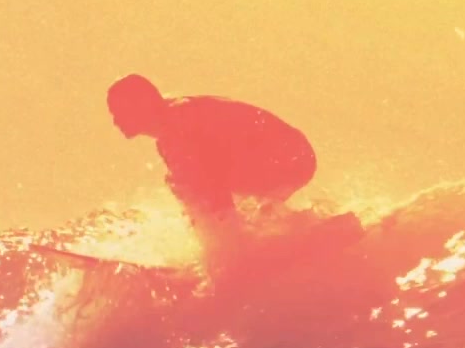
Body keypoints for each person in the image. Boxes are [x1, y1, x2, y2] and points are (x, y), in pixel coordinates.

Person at [106, 74, 317, 250]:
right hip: (292, 156)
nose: (115, 120)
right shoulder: (172, 128)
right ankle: (283, 234)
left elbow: (210, 177)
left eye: (119, 111)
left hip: (289, 155)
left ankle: (239, 245)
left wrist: (229, 247)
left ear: (142, 103)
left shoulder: (179, 120)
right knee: (189, 184)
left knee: (192, 182)